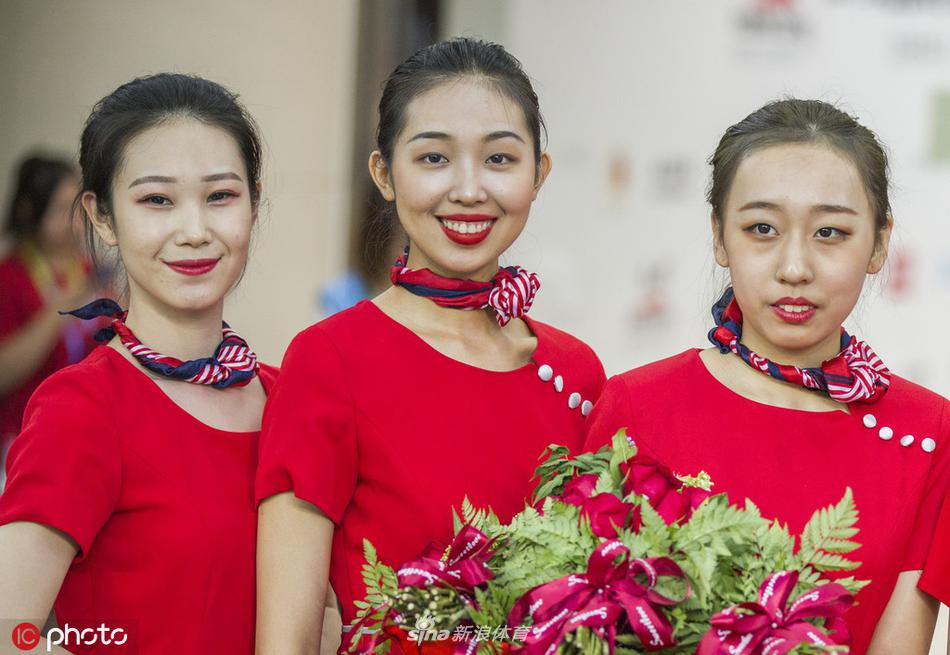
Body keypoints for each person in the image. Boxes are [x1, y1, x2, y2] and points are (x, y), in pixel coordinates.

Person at [255, 38, 606, 652]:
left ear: (539, 174)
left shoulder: (575, 372)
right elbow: (286, 638)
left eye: (500, 159)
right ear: (384, 175)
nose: (469, 190)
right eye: (434, 158)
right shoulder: (330, 359)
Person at [583, 99, 948, 655]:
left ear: (878, 243)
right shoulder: (637, 405)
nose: (794, 268)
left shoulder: (928, 431)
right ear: (718, 236)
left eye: (830, 232)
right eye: (762, 228)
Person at [0, 73, 275, 655]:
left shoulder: (291, 399)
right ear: (101, 216)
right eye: (157, 200)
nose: (194, 232)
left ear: (254, 201)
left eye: (220, 196)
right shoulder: (82, 409)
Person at [0, 155, 101, 466]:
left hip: (86, 433)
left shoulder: (90, 271)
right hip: (25, 437)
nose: (74, 221)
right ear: (30, 210)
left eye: (77, 208)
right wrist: (60, 307)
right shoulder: (10, 277)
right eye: (60, 209)